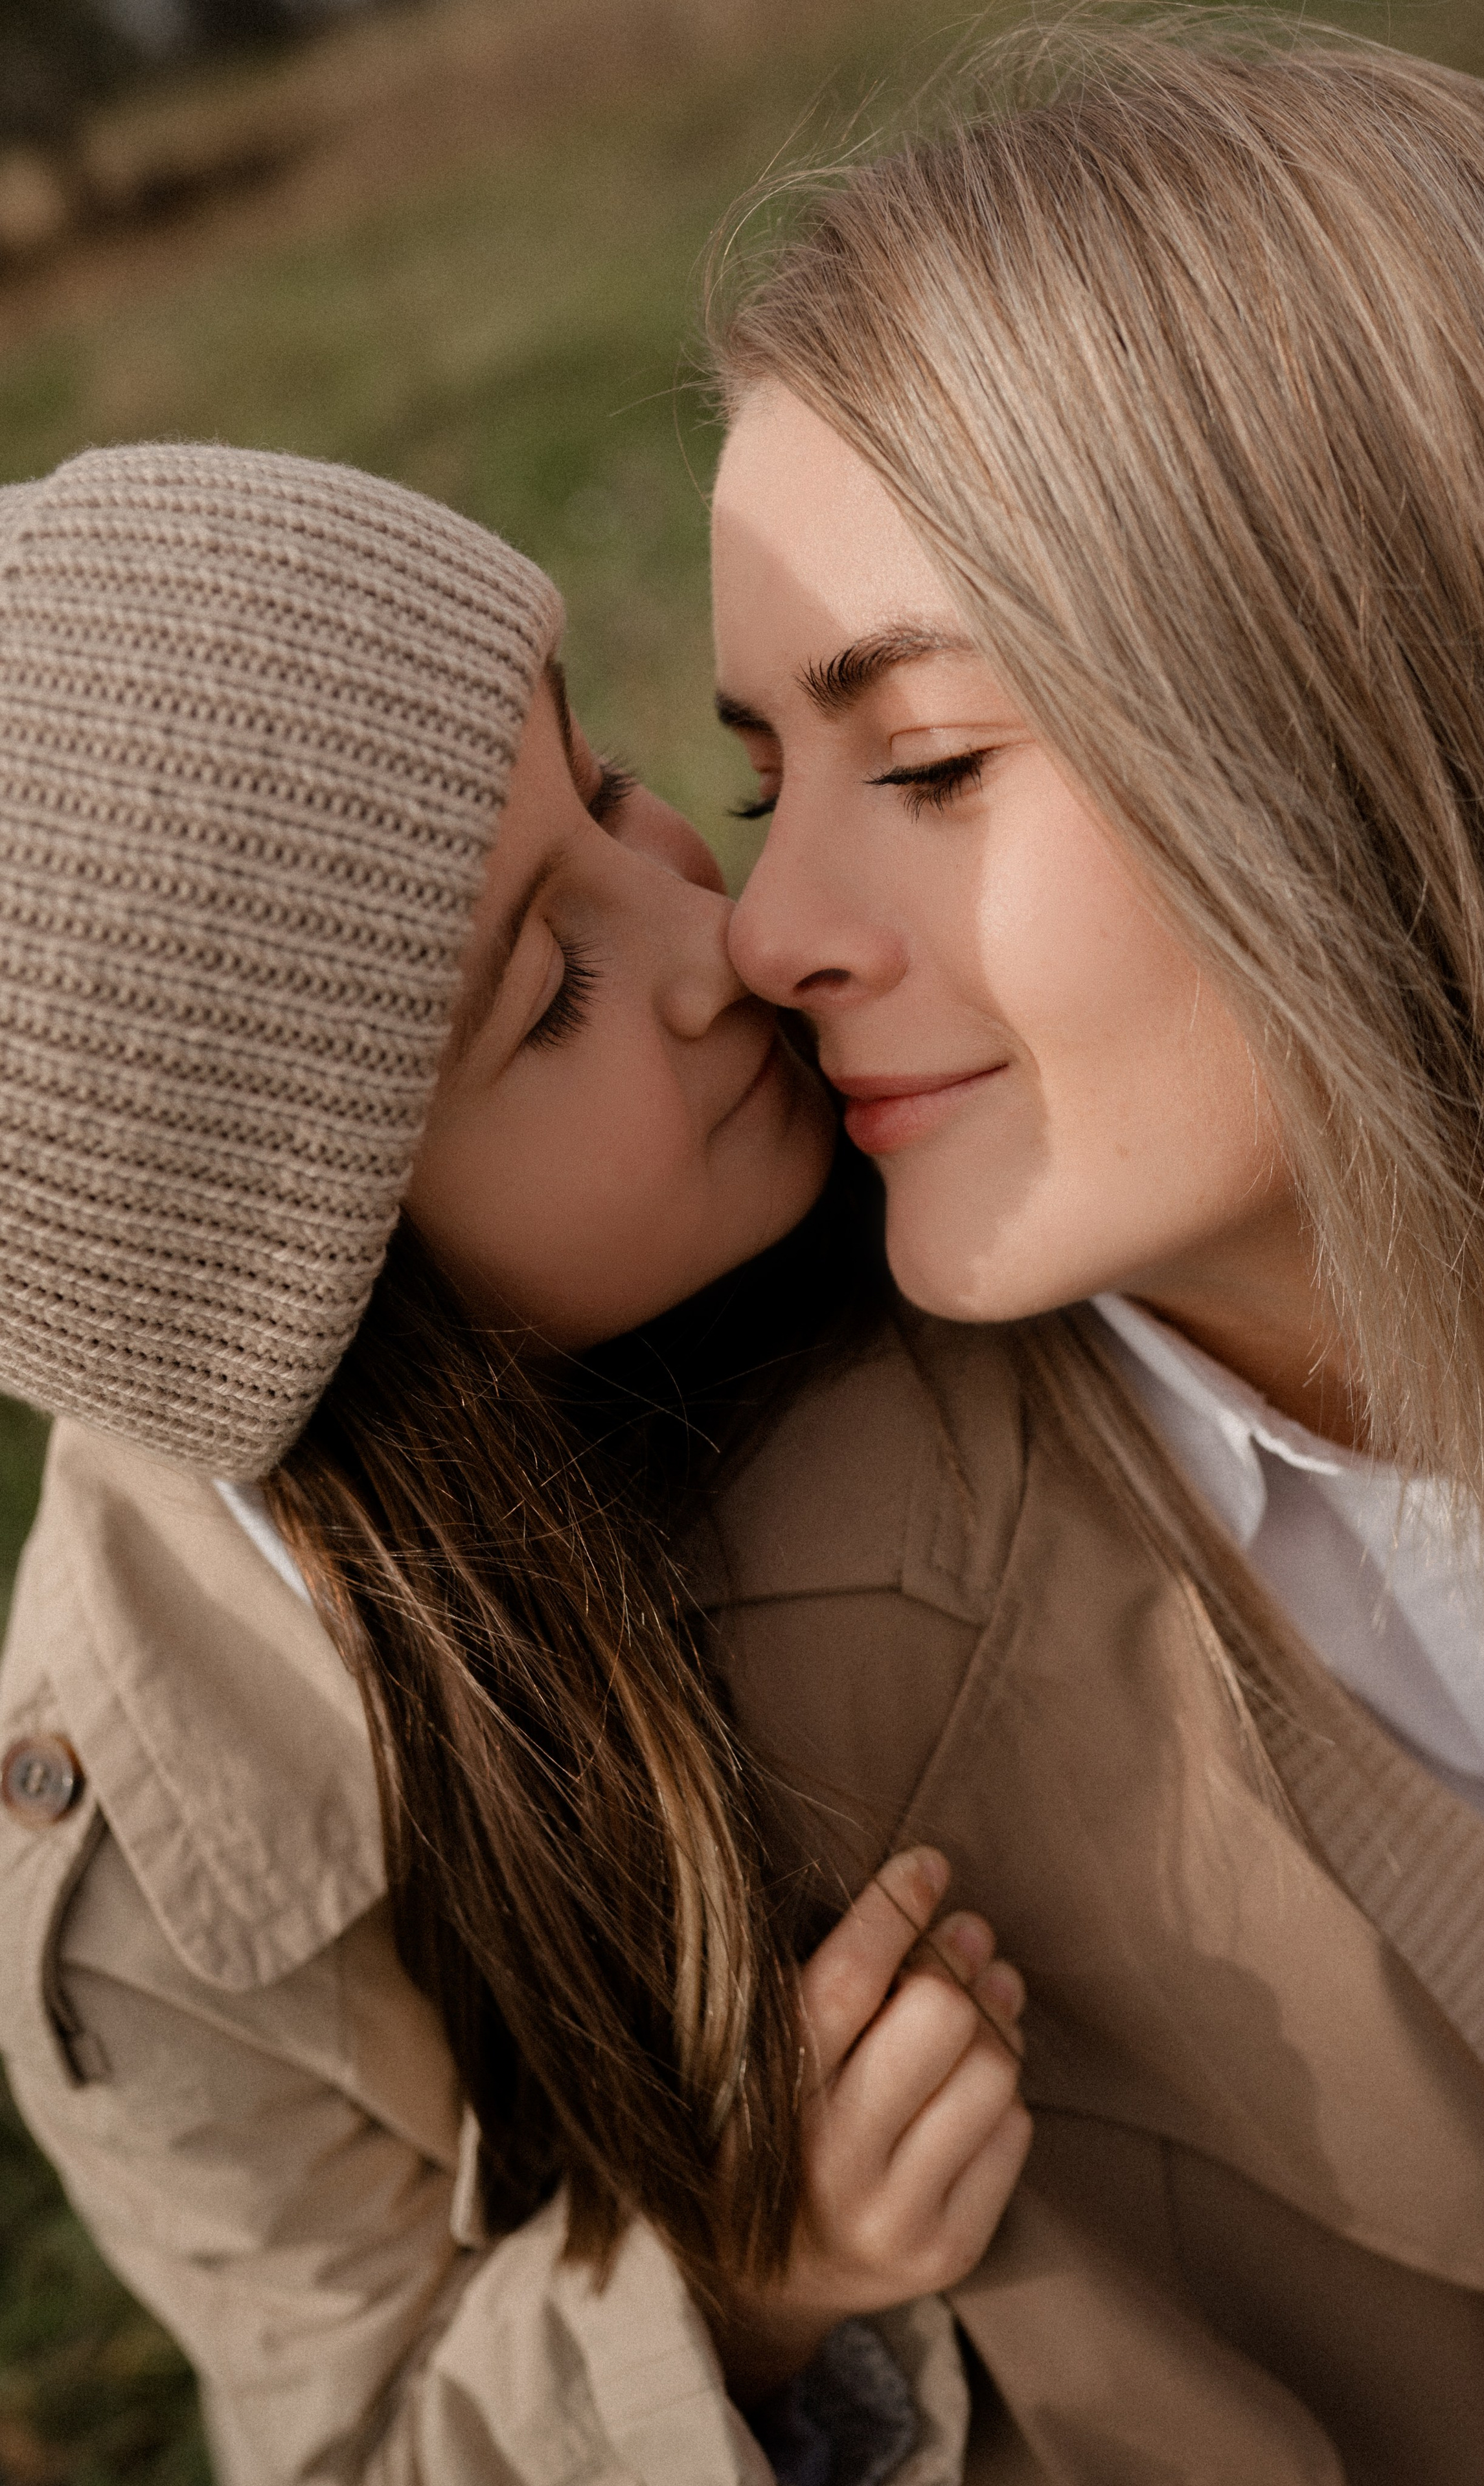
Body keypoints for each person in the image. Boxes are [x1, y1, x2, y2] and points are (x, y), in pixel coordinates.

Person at [696, 20, 1484, 2480]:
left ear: (1369, 708)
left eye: (921, 762)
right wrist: (760, 2330)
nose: (769, 924)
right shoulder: (809, 1716)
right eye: (754, 775)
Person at [0, 441, 1032, 2484]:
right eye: (551, 990)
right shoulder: (160, 1892)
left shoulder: (912, 1089)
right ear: (331, 1296)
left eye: (620, 782)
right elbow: (357, 2440)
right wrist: (748, 2287)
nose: (712, 938)